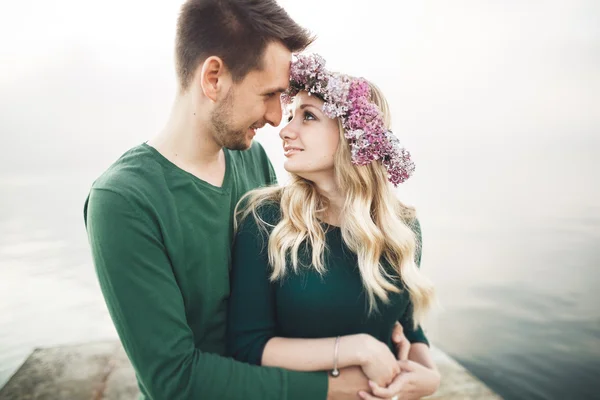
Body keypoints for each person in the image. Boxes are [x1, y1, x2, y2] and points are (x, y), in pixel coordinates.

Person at [84, 0, 409, 399]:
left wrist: (394, 330)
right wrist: (337, 387)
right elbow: (174, 380)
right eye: (270, 93)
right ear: (214, 78)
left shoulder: (250, 158)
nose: (277, 117)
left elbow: (296, 280)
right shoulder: (123, 201)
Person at [227, 53, 441, 400]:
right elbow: (248, 345)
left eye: (307, 116)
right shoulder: (267, 220)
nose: (285, 130)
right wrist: (358, 349)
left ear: (353, 136)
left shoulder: (402, 228)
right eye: (292, 114)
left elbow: (407, 328)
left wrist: (429, 377)